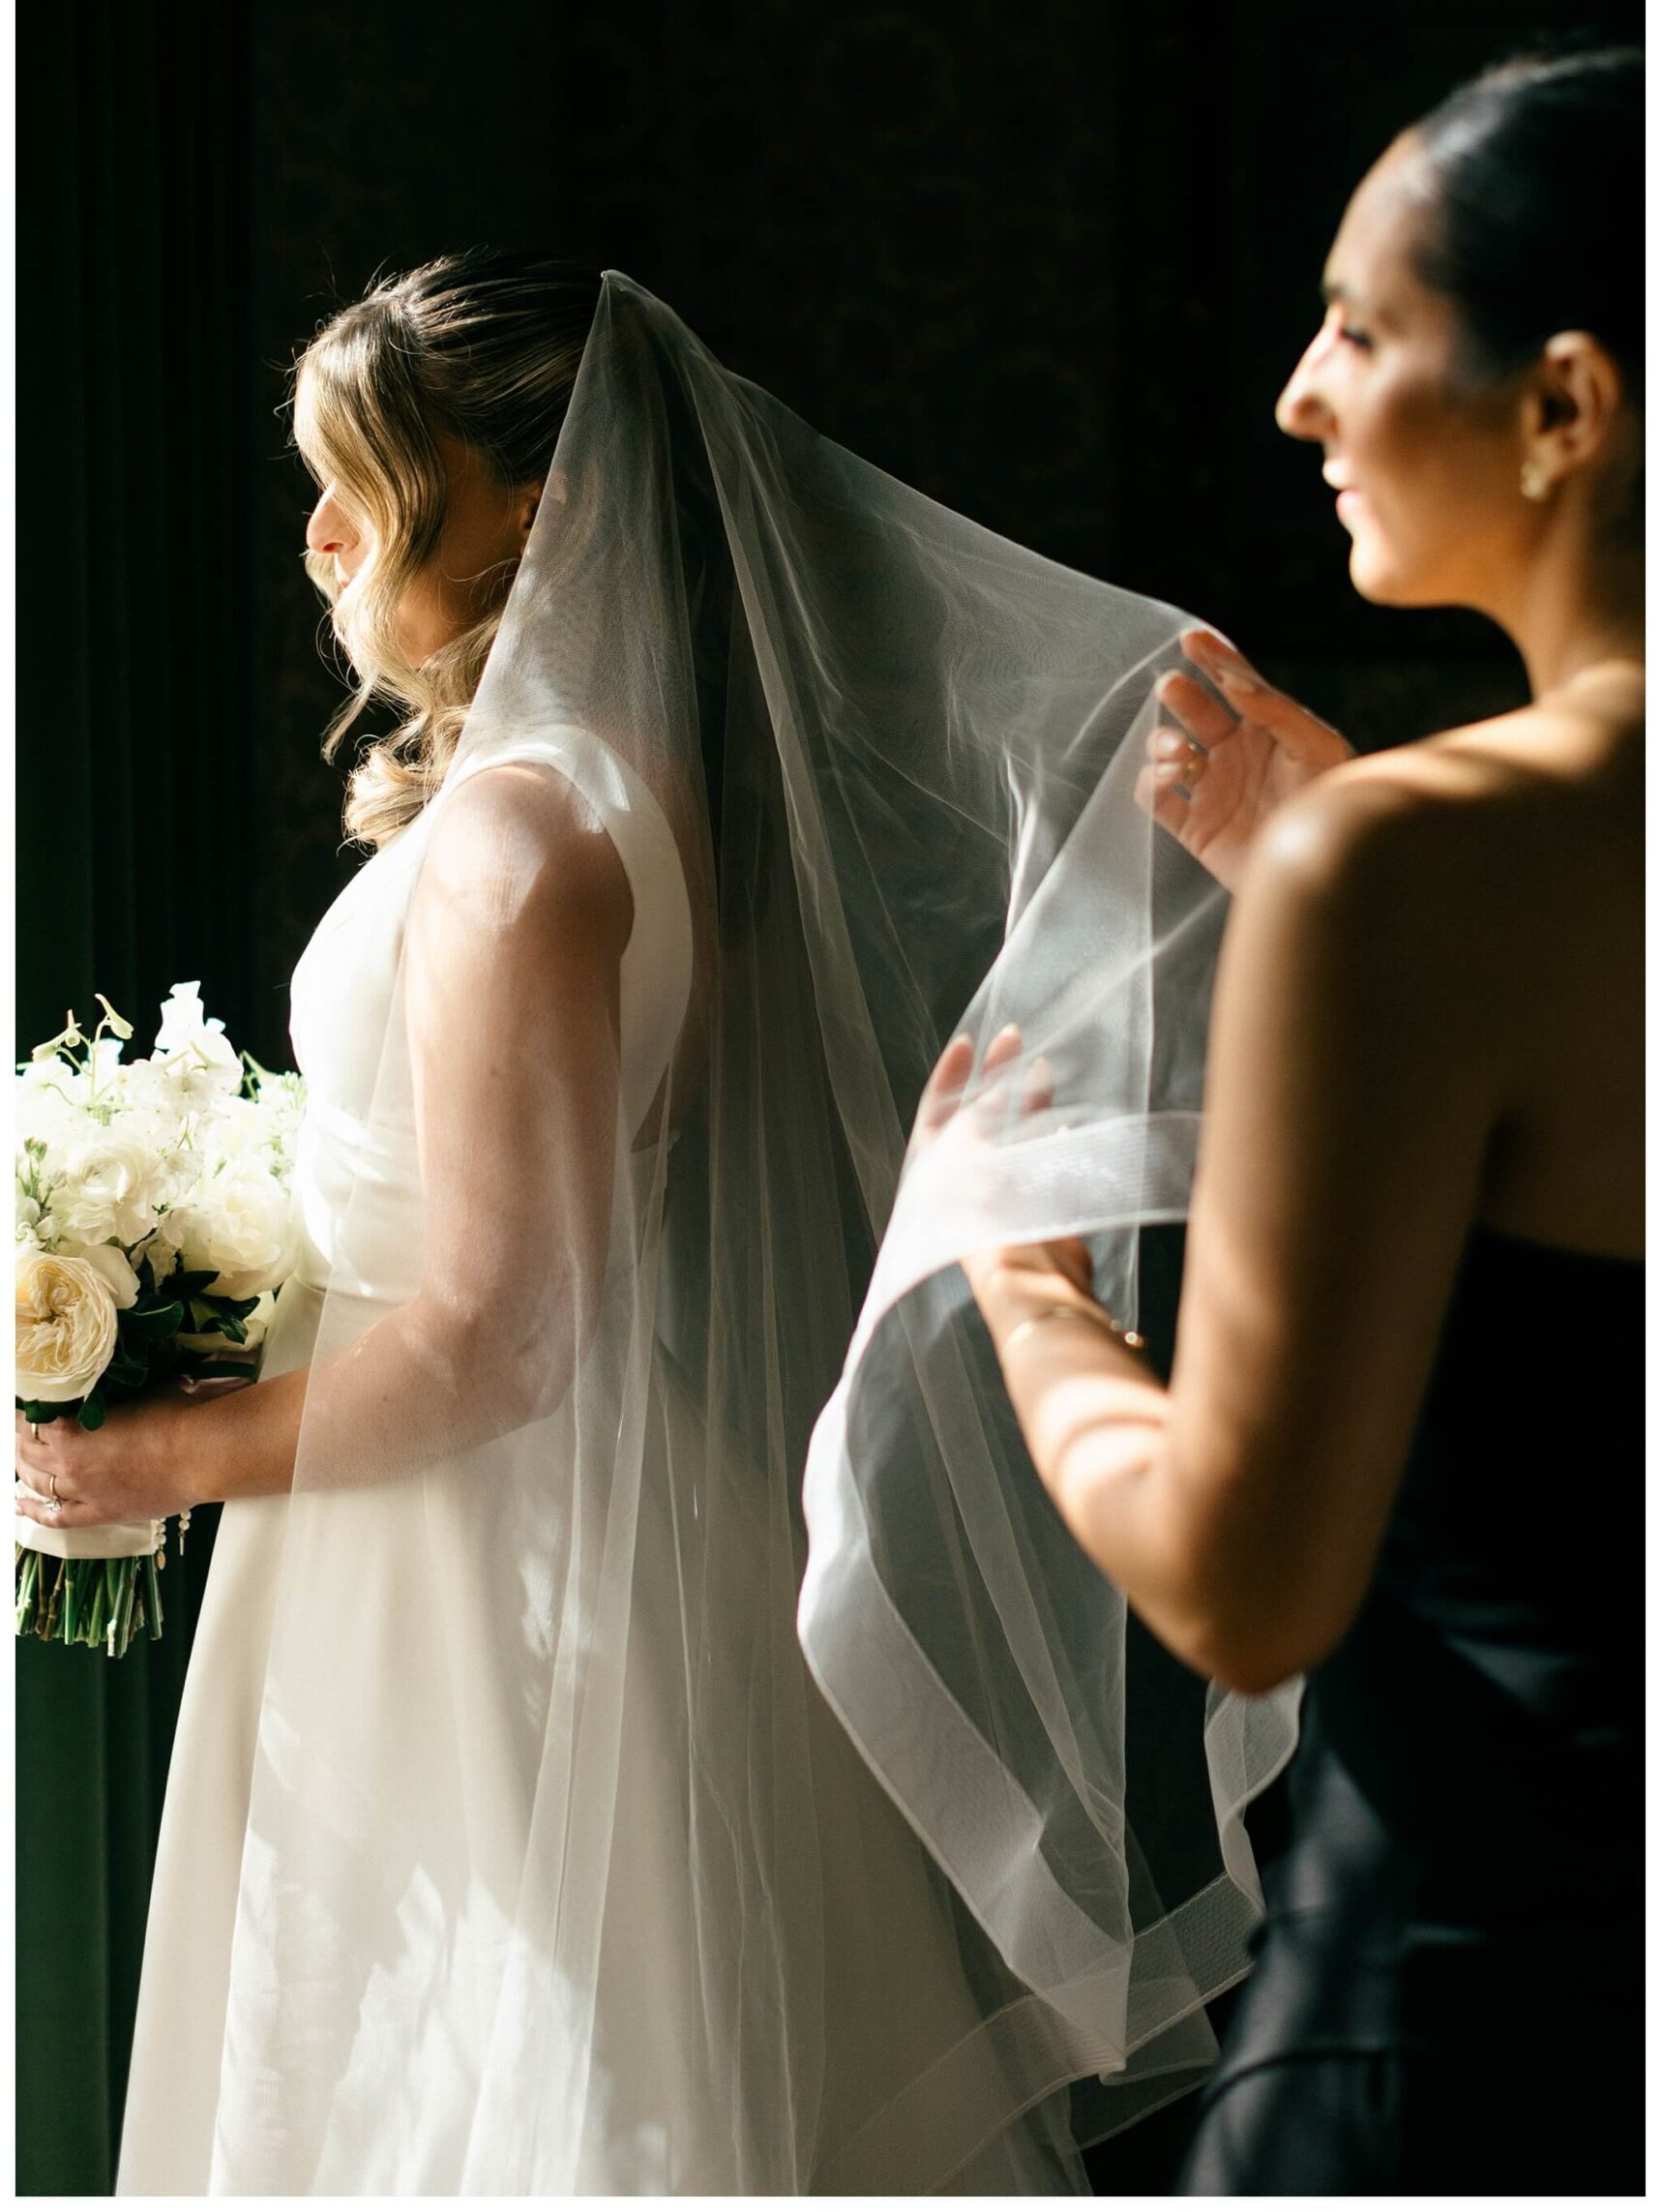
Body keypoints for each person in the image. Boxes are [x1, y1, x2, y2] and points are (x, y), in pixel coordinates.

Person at [16, 256, 1284, 2191]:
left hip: (471, 1575)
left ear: (532, 502)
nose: (320, 529)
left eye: (365, 475)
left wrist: (154, 1455)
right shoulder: (641, 799)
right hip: (562, 1530)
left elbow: (500, 1336)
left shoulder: (518, 843)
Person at [927, 46, 1643, 2193]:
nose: (1296, 396)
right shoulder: (1423, 869)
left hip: (1471, 2021)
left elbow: (1241, 1584)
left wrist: (1023, 1275)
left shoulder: (1418, 874)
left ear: (1563, 406)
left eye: (1355, 323)